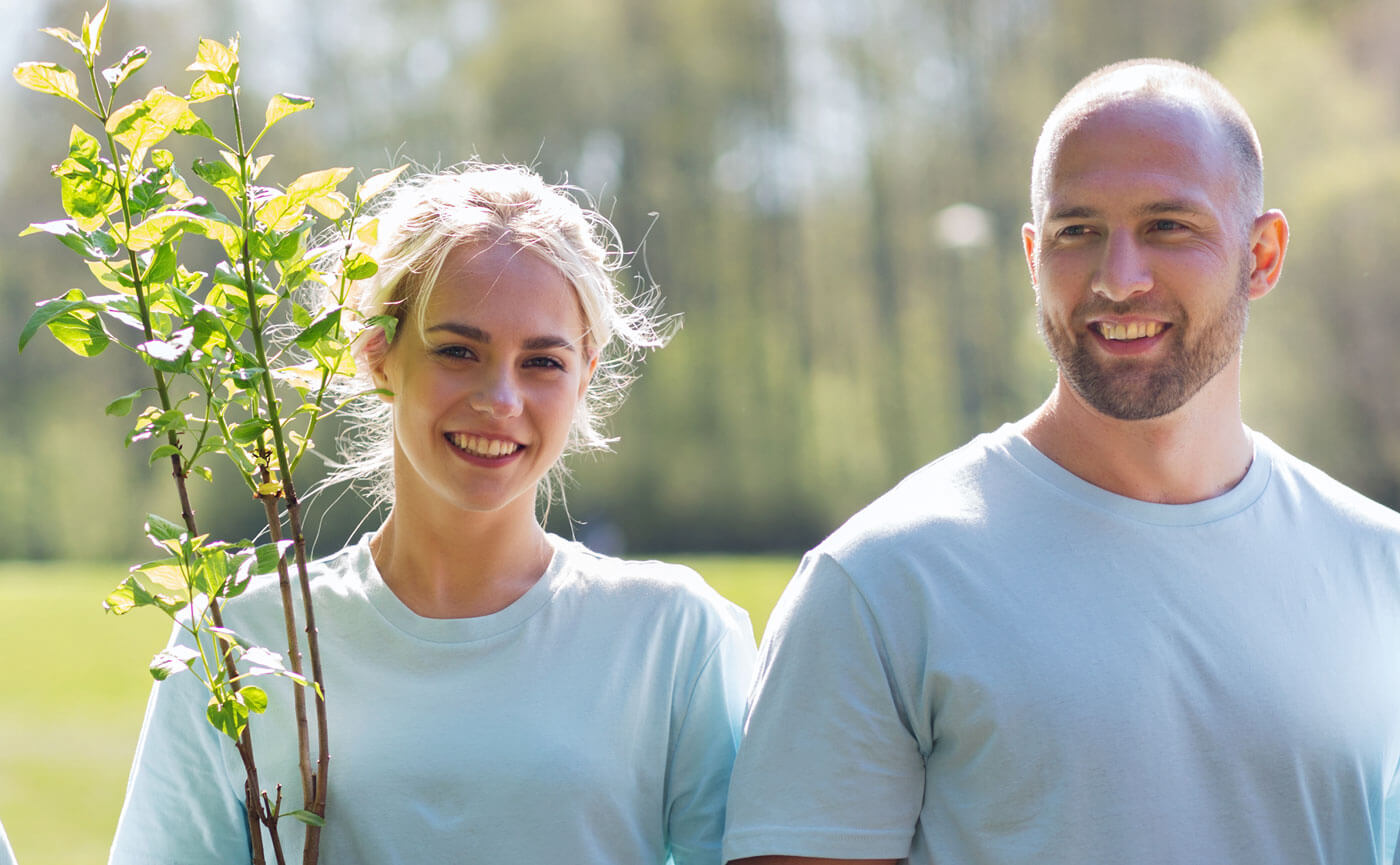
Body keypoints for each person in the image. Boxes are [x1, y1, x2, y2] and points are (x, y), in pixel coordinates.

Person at [722, 58, 1400, 865]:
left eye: (1168, 226)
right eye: (1079, 232)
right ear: (1033, 254)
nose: (1119, 280)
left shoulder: (1379, 565)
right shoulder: (881, 584)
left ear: (1263, 254)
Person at [109, 163, 756, 863]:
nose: (501, 399)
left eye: (541, 362)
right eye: (457, 350)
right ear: (377, 354)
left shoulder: (675, 639)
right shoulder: (236, 641)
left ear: (587, 372)